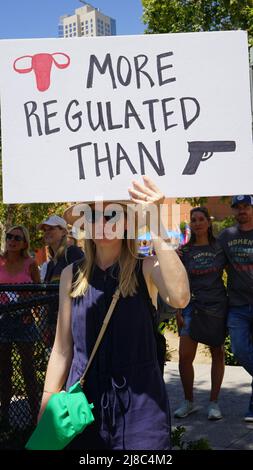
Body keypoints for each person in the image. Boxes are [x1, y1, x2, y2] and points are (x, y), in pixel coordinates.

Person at [37, 176, 190, 450]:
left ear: (128, 222)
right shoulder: (71, 275)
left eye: (113, 215)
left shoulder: (146, 268)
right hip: (82, 407)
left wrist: (155, 222)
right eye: (94, 215)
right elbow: (62, 349)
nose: (103, 223)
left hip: (141, 407)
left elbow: (180, 297)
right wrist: (47, 402)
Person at [174, 207, 227, 420]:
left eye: (201, 219)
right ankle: (189, 402)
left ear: (208, 222)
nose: (197, 223)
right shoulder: (184, 252)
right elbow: (178, 282)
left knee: (217, 353)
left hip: (216, 306)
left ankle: (214, 403)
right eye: (193, 220)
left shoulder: (220, 248)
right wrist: (178, 310)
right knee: (184, 357)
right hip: (191, 307)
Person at [0, 225, 41, 430]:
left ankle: (36, 417)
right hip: (2, 321)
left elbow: (39, 291)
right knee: (4, 370)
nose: (12, 240)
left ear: (25, 242)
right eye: (9, 236)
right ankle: (5, 418)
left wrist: (30, 302)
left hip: (24, 321)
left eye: (17, 237)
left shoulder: (30, 263)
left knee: (28, 369)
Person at [218, 195, 253, 422]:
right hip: (238, 305)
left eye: (246, 207)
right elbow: (212, 259)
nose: (242, 211)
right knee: (240, 351)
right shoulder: (226, 236)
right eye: (238, 208)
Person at [38, 215, 83, 283]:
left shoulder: (72, 252)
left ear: (64, 232)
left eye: (51, 228)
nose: (46, 232)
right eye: (44, 230)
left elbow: (83, 282)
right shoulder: (50, 264)